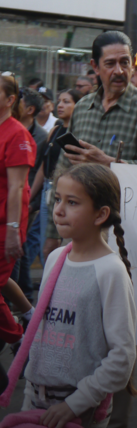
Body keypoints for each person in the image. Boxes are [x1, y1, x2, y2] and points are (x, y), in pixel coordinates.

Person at [43, 30, 137, 428]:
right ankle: (73, 414)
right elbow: (64, 169)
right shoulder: (84, 110)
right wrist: (51, 228)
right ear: (93, 68)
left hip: (125, 237)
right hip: (81, 236)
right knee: (81, 329)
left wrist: (108, 163)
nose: (120, 70)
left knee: (118, 335)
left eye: (126, 61)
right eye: (111, 63)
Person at [23, 163, 137, 428]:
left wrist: (74, 405)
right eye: (58, 198)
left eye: (72, 202)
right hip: (36, 395)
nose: (59, 209)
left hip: (79, 407)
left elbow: (122, 356)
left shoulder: (111, 271)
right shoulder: (56, 258)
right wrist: (28, 391)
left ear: (101, 214)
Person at [0, 74, 36, 362]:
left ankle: (19, 337)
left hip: (6, 224)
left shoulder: (17, 134)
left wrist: (13, 230)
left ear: (10, 100)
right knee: (2, 280)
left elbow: (16, 187)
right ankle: (30, 317)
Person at [31, 89, 82, 265]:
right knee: (38, 241)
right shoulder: (55, 130)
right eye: (59, 101)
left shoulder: (78, 135)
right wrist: (31, 194)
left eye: (67, 102)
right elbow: (44, 166)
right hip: (48, 188)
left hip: (64, 193)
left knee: (52, 245)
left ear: (78, 106)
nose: (61, 105)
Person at [9, 88, 47, 302]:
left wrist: (32, 202)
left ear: (30, 109)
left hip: (27, 200)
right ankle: (23, 296)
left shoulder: (39, 136)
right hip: (16, 199)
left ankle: (22, 301)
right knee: (20, 248)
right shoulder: (10, 127)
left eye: (19, 101)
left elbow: (39, 171)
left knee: (18, 247)